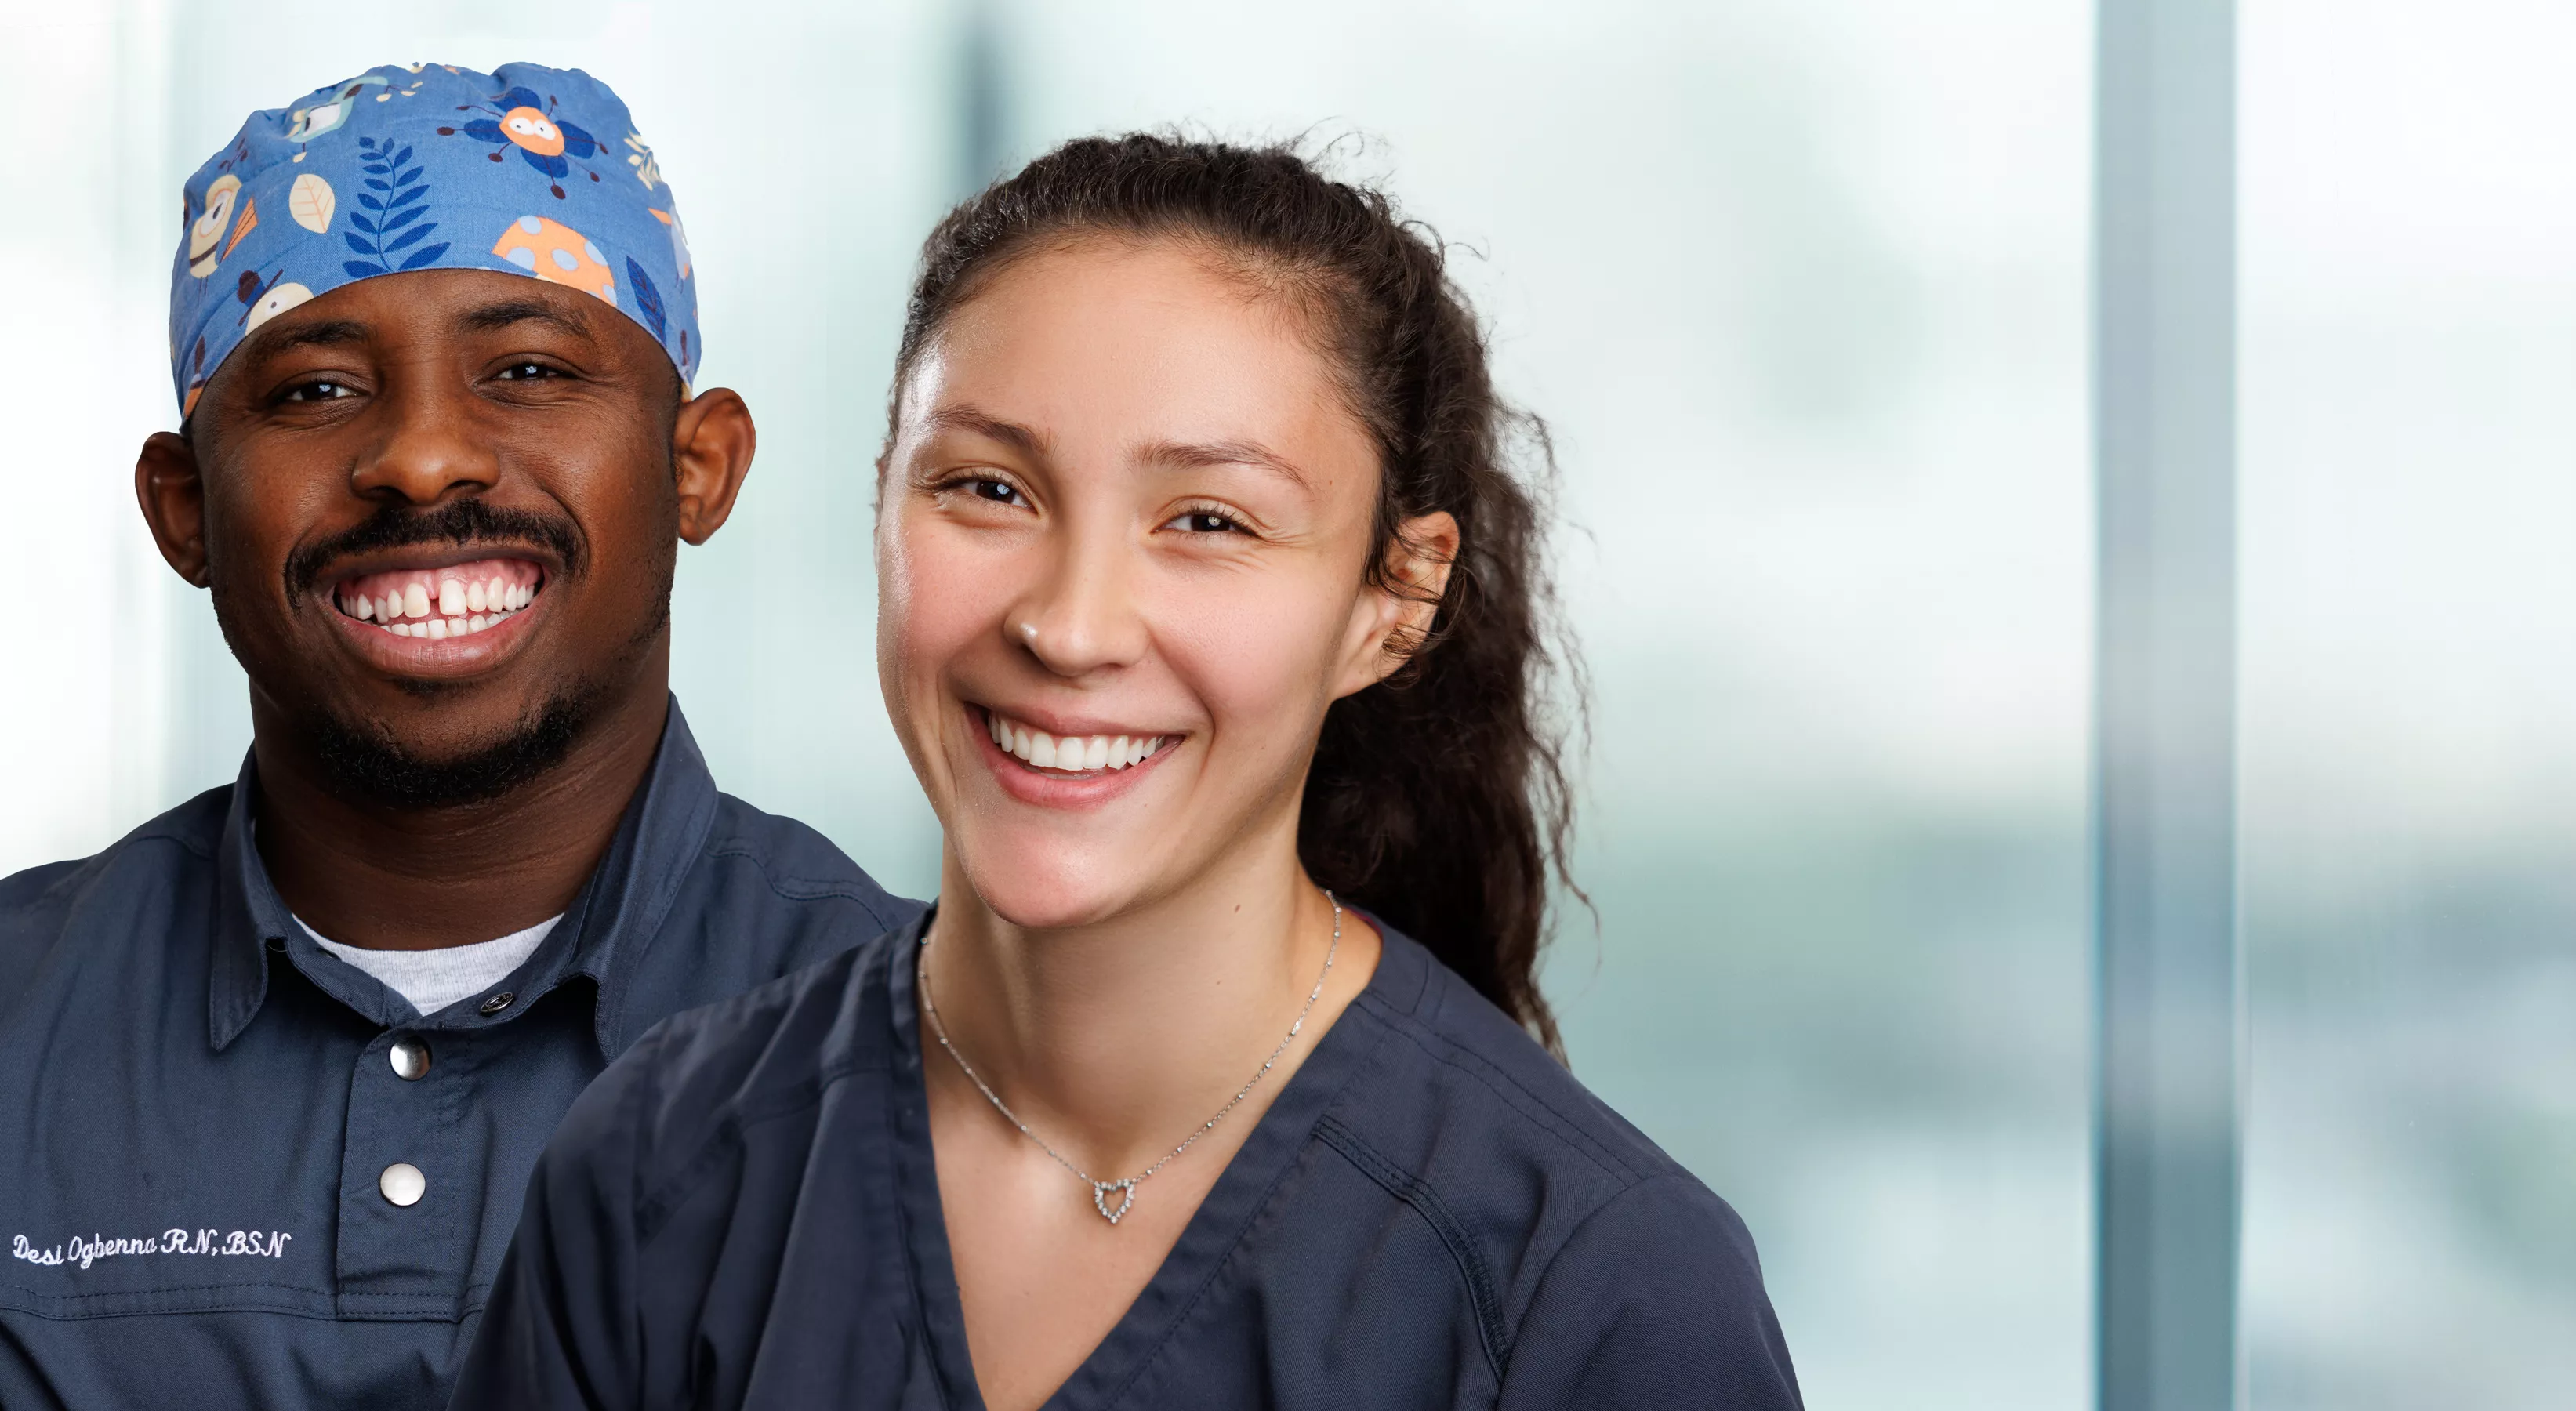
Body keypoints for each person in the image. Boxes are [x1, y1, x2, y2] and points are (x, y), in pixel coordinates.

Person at [454, 135, 1805, 1409]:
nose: (1069, 624)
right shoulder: (652, 1171)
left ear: (1393, 597)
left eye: (1208, 521)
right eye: (987, 489)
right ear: (881, 500)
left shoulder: (1601, 1290)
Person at [0, 62, 916, 1410]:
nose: (424, 457)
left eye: (531, 370)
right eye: (314, 392)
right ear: (185, 507)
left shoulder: (935, 1051)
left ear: (695, 467)